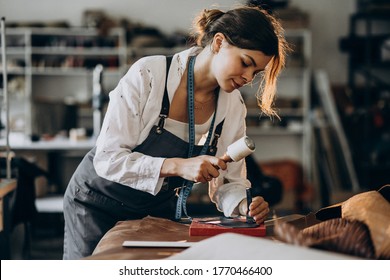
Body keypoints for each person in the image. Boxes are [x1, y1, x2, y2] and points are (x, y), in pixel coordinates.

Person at [63, 5, 289, 259]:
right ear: (218, 43)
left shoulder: (232, 106)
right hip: (97, 202)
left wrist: (244, 205)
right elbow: (108, 158)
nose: (248, 77)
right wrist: (178, 166)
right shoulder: (148, 75)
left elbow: (229, 181)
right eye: (245, 63)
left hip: (154, 211)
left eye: (256, 72)